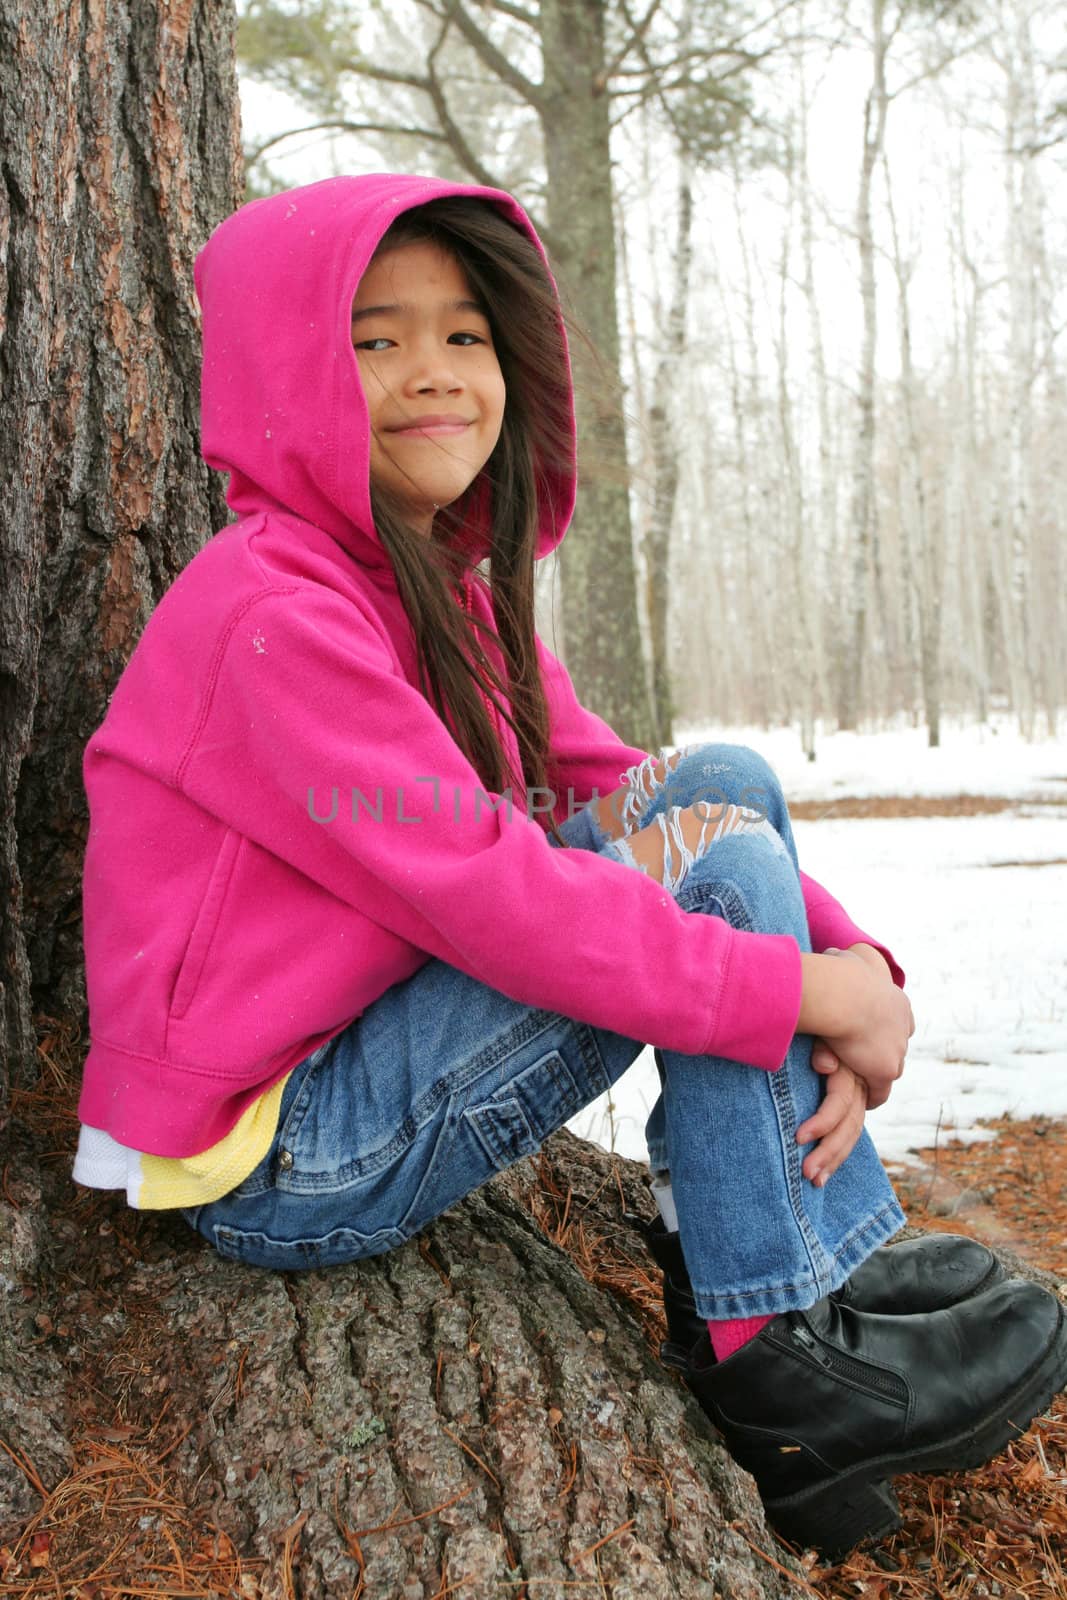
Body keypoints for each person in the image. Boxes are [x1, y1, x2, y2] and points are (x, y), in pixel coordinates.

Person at [72, 173, 1067, 1556]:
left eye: (465, 334)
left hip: (373, 1046)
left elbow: (612, 785)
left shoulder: (440, 587)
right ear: (284, 372)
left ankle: (803, 1257)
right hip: (278, 1148)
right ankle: (771, 1346)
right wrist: (799, 997)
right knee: (697, 897)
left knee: (717, 785)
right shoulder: (272, 613)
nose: (432, 373)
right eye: (375, 339)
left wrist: (854, 969)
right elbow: (498, 895)